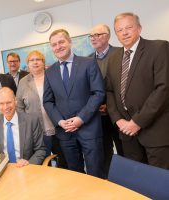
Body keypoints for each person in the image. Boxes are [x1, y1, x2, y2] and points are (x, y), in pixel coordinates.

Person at [106, 12, 169, 169]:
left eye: (129, 27)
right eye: (120, 30)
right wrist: (118, 121)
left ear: (139, 29)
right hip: (127, 134)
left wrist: (137, 122)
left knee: (160, 184)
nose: (124, 32)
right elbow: (110, 91)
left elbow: (163, 88)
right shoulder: (113, 58)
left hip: (155, 133)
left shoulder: (159, 48)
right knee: (138, 183)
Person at [43, 29, 105, 178]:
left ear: (69, 42)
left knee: (95, 173)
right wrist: (60, 121)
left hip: (89, 128)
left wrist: (80, 119)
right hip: (65, 132)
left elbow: (98, 93)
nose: (58, 47)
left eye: (61, 42)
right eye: (54, 45)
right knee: (75, 175)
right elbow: (48, 101)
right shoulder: (50, 72)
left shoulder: (88, 63)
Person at [16, 50, 66, 168]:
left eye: (38, 59)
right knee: (44, 164)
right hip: (37, 131)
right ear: (27, 64)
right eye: (31, 60)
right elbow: (19, 107)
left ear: (43, 62)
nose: (35, 62)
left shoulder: (53, 76)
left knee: (64, 161)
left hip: (58, 127)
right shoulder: (23, 82)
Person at [0, 87, 46, 167]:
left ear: (15, 101)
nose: (5, 107)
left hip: (25, 168)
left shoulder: (32, 121)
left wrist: (28, 164)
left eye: (8, 102)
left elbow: (40, 150)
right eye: (1, 103)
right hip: (2, 169)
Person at [89, 24, 123, 177]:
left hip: (119, 114)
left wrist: (109, 106)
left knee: (124, 150)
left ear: (108, 36)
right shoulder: (87, 60)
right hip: (98, 115)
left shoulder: (121, 53)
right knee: (103, 151)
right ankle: (109, 182)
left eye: (98, 34)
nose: (94, 38)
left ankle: (127, 182)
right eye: (91, 36)